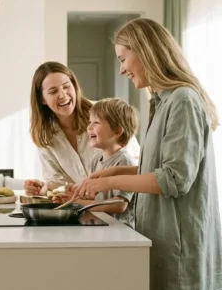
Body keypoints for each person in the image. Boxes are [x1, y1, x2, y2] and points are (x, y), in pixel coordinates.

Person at [70, 18, 222, 290]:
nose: (122, 68)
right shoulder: (164, 100)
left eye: (124, 58)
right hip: (163, 235)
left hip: (182, 242)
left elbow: (174, 178)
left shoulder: (184, 101)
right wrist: (104, 176)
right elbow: (155, 164)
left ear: (147, 52)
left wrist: (108, 181)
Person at [23, 61, 141, 197]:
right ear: (42, 99)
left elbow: (135, 164)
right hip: (84, 210)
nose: (62, 95)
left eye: (66, 86)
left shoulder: (106, 114)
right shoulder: (46, 136)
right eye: (53, 91)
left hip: (124, 208)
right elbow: (57, 183)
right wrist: (45, 188)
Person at [52, 98, 138, 227]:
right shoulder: (96, 160)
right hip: (102, 226)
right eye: (90, 122)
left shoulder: (124, 162)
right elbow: (95, 199)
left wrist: (79, 204)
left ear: (117, 131)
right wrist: (72, 198)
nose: (89, 127)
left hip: (120, 231)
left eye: (96, 122)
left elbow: (120, 205)